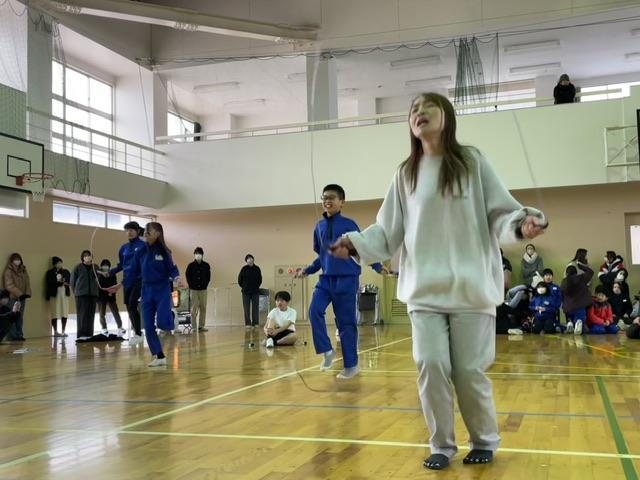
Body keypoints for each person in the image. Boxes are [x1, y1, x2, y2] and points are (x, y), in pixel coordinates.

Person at [330, 92, 546, 469]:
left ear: (446, 115)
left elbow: (500, 213)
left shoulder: (472, 161)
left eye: (427, 106)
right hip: (424, 291)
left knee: (468, 372)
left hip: (471, 290)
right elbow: (388, 230)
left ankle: (484, 440)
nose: (419, 112)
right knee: (430, 364)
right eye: (413, 109)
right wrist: (355, 243)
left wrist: (520, 224)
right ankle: (441, 445)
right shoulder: (406, 173)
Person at [296, 183, 384, 380]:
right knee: (314, 311)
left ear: (341, 202)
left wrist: (378, 266)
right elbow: (323, 256)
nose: (327, 201)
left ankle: (351, 366)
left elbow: (363, 248)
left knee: (346, 324)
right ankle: (327, 350)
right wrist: (308, 270)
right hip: (326, 280)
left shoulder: (349, 224)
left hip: (347, 279)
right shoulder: (318, 227)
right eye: (324, 197)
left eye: (332, 197)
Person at [130, 222, 182, 367]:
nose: (146, 234)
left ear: (158, 233)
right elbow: (132, 269)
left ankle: (170, 317)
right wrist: (120, 284)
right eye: (145, 232)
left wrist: (177, 277)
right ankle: (159, 355)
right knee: (148, 326)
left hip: (162, 289)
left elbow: (172, 269)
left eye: (149, 231)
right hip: (146, 290)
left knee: (162, 323)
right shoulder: (141, 251)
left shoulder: (164, 251)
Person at [110, 221, 146, 345]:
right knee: (128, 307)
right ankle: (137, 332)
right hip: (127, 282)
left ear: (137, 231)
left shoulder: (143, 246)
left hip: (139, 280)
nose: (129, 232)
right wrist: (110, 272)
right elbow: (121, 265)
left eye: (131, 230)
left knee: (132, 305)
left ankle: (138, 333)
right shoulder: (123, 248)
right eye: (127, 230)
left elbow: (141, 266)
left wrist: (121, 282)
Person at [71, 250, 100, 339]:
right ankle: (81, 335)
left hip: (93, 294)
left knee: (91, 315)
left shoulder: (95, 267)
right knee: (82, 315)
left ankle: (89, 334)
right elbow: (72, 281)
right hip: (81, 295)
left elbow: (99, 279)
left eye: (89, 255)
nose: (88, 257)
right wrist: (76, 292)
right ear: (83, 258)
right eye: (86, 255)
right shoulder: (78, 267)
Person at [3, 252, 31, 341]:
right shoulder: (8, 271)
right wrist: (20, 294)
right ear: (12, 261)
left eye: (19, 259)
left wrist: (27, 293)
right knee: (12, 316)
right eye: (15, 259)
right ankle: (13, 335)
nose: (17, 261)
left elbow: (27, 282)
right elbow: (9, 285)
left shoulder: (23, 270)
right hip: (12, 297)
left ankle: (19, 334)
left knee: (20, 317)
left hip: (22, 298)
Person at [560, 264, 593, 335]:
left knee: (572, 319)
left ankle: (570, 323)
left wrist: (564, 306)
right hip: (580, 307)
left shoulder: (564, 281)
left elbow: (561, 295)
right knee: (584, 329)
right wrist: (581, 266)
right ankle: (577, 322)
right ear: (576, 272)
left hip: (568, 308)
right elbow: (591, 272)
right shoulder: (581, 278)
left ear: (566, 273)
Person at [185, 246, 211, 332]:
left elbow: (208, 277)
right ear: (194, 255)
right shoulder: (190, 266)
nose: (198, 255)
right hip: (194, 290)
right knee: (193, 308)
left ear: (202, 255)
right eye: (196, 254)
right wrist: (191, 285)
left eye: (199, 254)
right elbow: (187, 276)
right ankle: (193, 327)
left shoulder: (206, 265)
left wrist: (205, 284)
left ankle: (201, 326)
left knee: (203, 307)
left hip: (203, 290)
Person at [97, 259, 125, 336]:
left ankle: (120, 327)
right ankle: (104, 328)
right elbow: (98, 284)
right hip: (101, 296)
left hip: (111, 295)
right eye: (104, 265)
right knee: (102, 313)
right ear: (101, 266)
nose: (105, 267)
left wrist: (111, 292)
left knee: (115, 312)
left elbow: (115, 284)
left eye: (107, 265)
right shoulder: (98, 274)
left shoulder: (112, 274)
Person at [45, 256, 70, 337]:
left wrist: (66, 283)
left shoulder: (65, 271)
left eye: (61, 262)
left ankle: (63, 331)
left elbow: (69, 280)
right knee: (55, 312)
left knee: (64, 312)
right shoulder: (50, 272)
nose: (60, 264)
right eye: (58, 263)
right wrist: (60, 283)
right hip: (54, 295)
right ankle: (55, 331)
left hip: (64, 294)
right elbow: (49, 282)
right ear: (54, 264)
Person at [238, 254, 262, 329]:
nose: (250, 260)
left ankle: (255, 323)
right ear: (246, 261)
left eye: (251, 258)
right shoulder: (244, 268)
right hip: (245, 292)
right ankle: (248, 323)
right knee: (246, 308)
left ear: (253, 259)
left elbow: (260, 279)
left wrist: (256, 286)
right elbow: (239, 280)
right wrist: (244, 286)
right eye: (248, 259)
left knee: (255, 307)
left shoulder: (257, 268)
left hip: (255, 291)